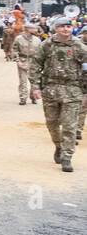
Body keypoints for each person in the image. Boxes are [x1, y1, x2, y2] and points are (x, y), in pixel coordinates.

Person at [29, 16, 87, 173]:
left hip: (73, 90)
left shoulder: (79, 46)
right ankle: (58, 146)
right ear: (56, 28)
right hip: (51, 89)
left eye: (68, 26)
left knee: (70, 126)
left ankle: (67, 156)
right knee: (52, 123)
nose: (66, 29)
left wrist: (85, 93)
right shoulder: (46, 45)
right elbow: (35, 64)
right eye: (62, 26)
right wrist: (35, 86)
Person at [12, 24, 41, 105]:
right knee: (23, 81)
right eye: (34, 28)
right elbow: (14, 50)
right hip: (23, 61)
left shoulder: (37, 40)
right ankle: (23, 98)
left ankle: (33, 97)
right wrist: (18, 61)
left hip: (34, 62)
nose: (36, 30)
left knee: (34, 81)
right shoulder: (19, 39)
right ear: (27, 29)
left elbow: (40, 52)